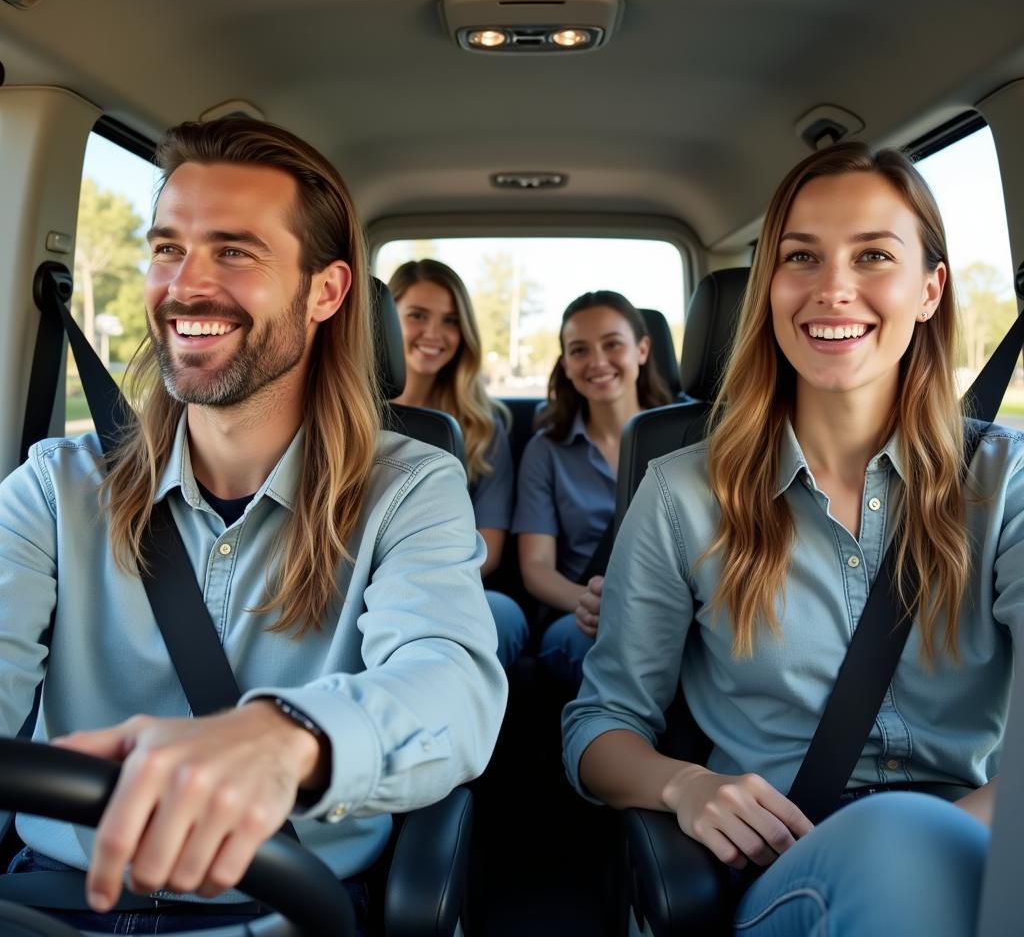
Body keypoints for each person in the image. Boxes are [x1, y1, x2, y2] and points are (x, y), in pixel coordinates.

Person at [0, 119, 506, 933]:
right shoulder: (53, 489)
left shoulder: (409, 489)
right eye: (168, 248)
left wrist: (287, 737)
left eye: (234, 250)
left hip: (281, 908)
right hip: (52, 897)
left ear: (326, 291)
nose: (186, 285)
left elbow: (450, 682)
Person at [563, 143, 1023, 936]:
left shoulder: (1006, 480)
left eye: (874, 255)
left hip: (985, 850)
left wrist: (973, 845)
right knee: (899, 850)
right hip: (785, 876)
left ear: (929, 290)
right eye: (800, 257)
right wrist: (684, 786)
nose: (833, 288)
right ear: (770, 291)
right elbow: (598, 726)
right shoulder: (681, 494)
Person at [513, 291, 672, 689]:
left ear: (642, 349)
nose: (598, 362)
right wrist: (596, 605)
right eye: (580, 350)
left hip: (675, 606)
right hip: (582, 614)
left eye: (612, 344)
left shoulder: (689, 434)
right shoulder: (546, 450)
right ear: (566, 365)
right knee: (609, 653)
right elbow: (536, 569)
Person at [387, 259, 528, 669]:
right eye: (417, 316)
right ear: (384, 321)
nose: (434, 334)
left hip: (447, 586)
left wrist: (409, 593)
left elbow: (490, 548)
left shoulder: (484, 426)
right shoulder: (338, 411)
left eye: (450, 321)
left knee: (502, 613)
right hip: (345, 587)